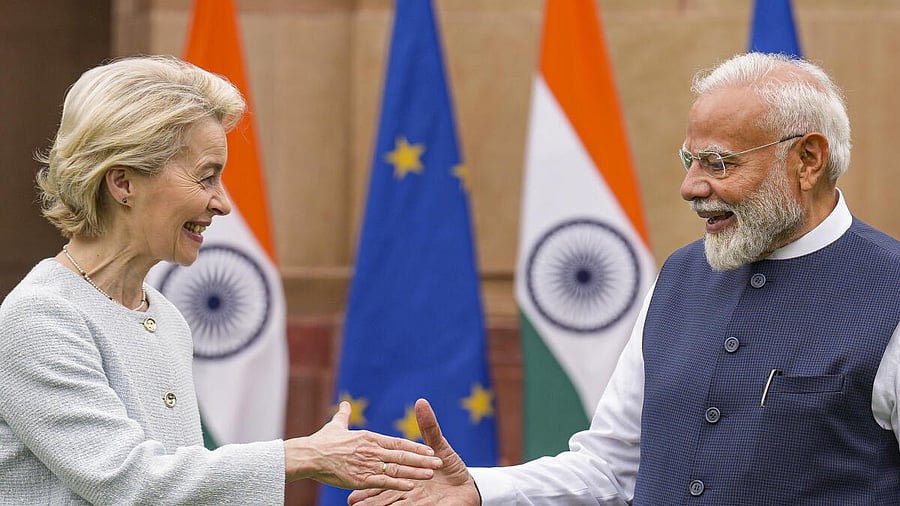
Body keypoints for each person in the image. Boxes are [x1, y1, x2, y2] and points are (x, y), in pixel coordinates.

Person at [348, 52, 900, 505]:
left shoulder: (889, 291)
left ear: (807, 159)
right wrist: (478, 488)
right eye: (689, 160)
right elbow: (611, 469)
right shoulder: (680, 277)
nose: (691, 187)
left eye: (719, 163)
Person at [0, 55, 443, 504]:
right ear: (122, 183)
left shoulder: (165, 316)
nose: (223, 204)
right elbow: (128, 481)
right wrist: (304, 455)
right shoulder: (39, 318)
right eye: (206, 176)